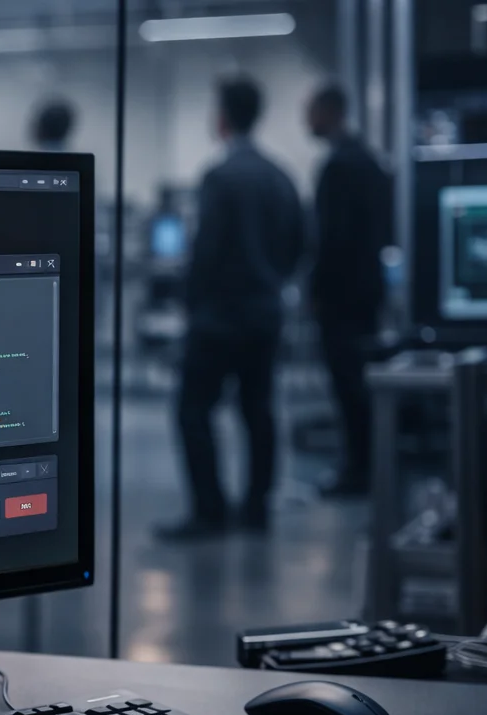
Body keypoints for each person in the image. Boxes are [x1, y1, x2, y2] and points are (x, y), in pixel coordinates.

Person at [156, 76, 304, 541]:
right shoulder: (279, 175)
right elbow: (301, 245)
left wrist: (190, 306)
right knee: (258, 410)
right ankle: (256, 507)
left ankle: (209, 510)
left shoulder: (220, 176)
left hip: (219, 317)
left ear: (222, 116)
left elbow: (207, 252)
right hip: (264, 313)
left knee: (192, 410)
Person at [306, 84, 390, 496]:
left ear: (332, 110)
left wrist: (316, 289)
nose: (309, 120)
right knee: (360, 385)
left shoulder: (340, 166)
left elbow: (331, 239)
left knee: (349, 387)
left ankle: (358, 471)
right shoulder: (370, 162)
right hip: (367, 292)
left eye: (313, 111)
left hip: (341, 298)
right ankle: (365, 467)